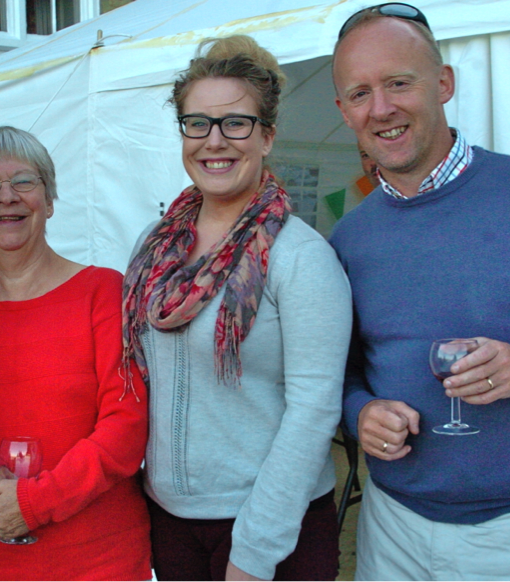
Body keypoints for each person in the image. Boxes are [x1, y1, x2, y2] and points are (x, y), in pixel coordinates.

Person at [328, 4, 510, 581]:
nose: (382, 109)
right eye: (360, 93)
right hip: (392, 529)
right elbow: (342, 371)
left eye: (399, 83)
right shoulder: (349, 237)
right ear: (344, 111)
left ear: (444, 83)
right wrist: (361, 411)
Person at [123, 35, 352, 582]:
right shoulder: (153, 245)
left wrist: (253, 552)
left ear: (267, 136)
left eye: (236, 123)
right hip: (170, 520)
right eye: (197, 122)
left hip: (268, 528)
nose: (214, 140)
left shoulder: (300, 258)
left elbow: (314, 411)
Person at [0, 126, 151, 582]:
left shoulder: (101, 291)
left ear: (50, 199)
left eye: (24, 181)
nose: (7, 197)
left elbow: (126, 424)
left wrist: (37, 503)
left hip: (101, 559)